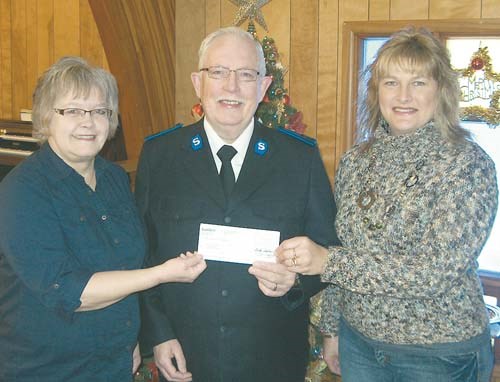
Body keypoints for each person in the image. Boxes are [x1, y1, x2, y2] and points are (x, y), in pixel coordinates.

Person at [276, 26, 498, 382]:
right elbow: (342, 245)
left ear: (440, 90)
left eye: (418, 82)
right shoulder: (356, 161)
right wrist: (332, 330)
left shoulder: (467, 165)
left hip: (438, 356)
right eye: (391, 82)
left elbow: (433, 272)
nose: (403, 95)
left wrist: (328, 262)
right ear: (376, 91)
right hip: (359, 344)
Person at [135, 26, 339, 382]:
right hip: (184, 355)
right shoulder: (160, 156)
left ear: (263, 87)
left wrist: (294, 283)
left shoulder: (298, 158)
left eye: (246, 75)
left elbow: (329, 248)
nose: (231, 87)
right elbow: (142, 251)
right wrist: (159, 333)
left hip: (271, 358)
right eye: (218, 73)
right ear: (198, 82)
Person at [0, 57, 206, 382]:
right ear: (45, 117)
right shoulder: (22, 192)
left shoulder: (114, 179)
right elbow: (70, 290)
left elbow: (124, 260)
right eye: (73, 110)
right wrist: (161, 274)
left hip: (113, 365)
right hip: (45, 370)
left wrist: (132, 338)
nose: (89, 122)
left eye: (100, 111)